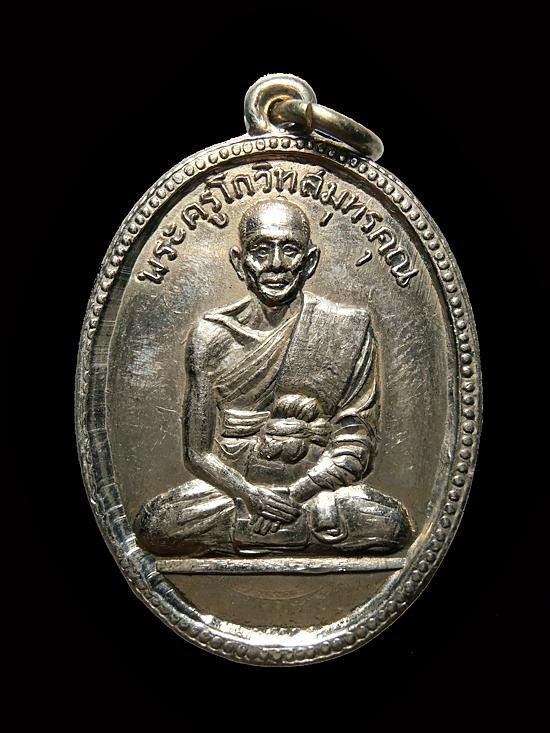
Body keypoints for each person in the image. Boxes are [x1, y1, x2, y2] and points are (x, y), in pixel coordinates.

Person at [134, 199, 412, 556]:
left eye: (290, 250)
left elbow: (355, 442)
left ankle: (258, 530)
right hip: (233, 490)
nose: (276, 264)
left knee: (391, 523)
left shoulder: (347, 328)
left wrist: (294, 495)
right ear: (239, 262)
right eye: (261, 251)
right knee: (155, 523)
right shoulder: (211, 335)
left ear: (309, 262)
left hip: (312, 489)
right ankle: (298, 528)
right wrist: (252, 497)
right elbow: (197, 453)